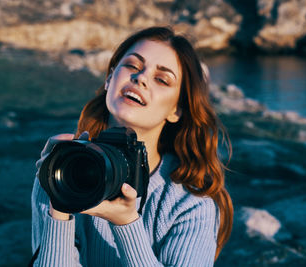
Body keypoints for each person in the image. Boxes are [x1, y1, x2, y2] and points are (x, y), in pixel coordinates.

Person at [31, 26, 233, 266]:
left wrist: (127, 223)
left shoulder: (190, 202)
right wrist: (59, 201)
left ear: (176, 110)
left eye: (162, 79)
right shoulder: (62, 170)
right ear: (110, 78)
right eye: (133, 66)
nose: (141, 78)